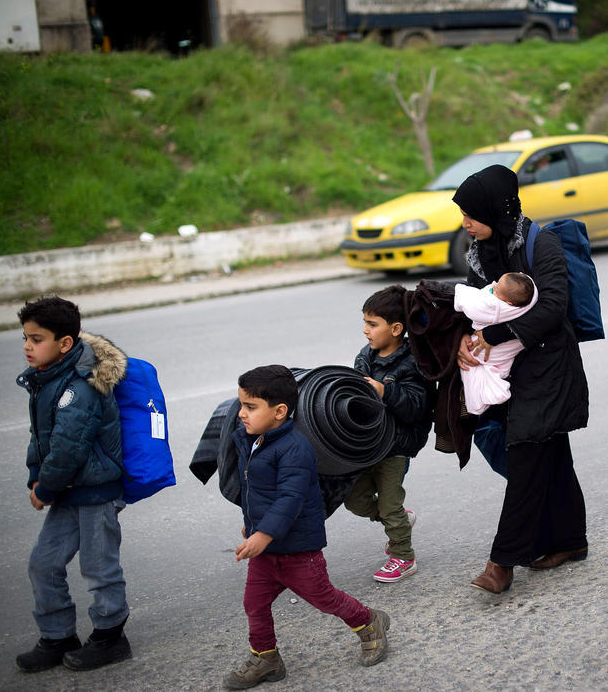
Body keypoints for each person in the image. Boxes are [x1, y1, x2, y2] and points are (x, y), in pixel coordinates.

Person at [452, 164, 590, 594]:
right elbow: (473, 305)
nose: (465, 224)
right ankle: (570, 540)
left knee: (527, 453)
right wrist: (463, 337)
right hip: (511, 370)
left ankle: (502, 561)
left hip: (548, 365)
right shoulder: (479, 254)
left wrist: (493, 335)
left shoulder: (541, 244)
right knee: (551, 454)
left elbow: (553, 307)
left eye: (471, 215)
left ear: (496, 210)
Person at [225, 365, 389, 688]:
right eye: (241, 404)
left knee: (324, 597)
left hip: (298, 549)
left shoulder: (295, 449)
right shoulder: (253, 440)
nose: (241, 413)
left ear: (280, 412)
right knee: (253, 603)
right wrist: (253, 526)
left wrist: (264, 532)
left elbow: (290, 498)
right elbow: (255, 492)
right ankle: (266, 657)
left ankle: (369, 622)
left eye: (250, 407)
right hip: (266, 550)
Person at [14, 296, 132, 673]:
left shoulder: (80, 386)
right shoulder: (49, 377)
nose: (27, 346)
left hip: (96, 491)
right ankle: (57, 636)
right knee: (43, 564)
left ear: (65, 343)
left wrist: (44, 489)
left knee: (100, 569)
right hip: (69, 489)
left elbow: (68, 448)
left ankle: (111, 637)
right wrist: (38, 477)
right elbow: (42, 437)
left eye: (36, 338)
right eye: (25, 338)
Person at [344, 286, 433, 583]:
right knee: (355, 499)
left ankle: (403, 557)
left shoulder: (413, 362)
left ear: (396, 328)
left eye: (372, 324)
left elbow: (417, 407)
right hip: (368, 441)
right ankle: (401, 522)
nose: (365, 330)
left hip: (397, 444)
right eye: (364, 322)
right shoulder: (365, 355)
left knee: (390, 503)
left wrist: (386, 391)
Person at [454, 272, 538, 414]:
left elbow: (467, 304)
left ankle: (478, 402)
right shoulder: (529, 301)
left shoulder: (494, 308)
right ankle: (495, 388)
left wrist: (460, 290)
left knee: (470, 369)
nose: (493, 285)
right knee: (499, 368)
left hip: (485, 351)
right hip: (508, 351)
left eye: (496, 290)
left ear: (508, 303)